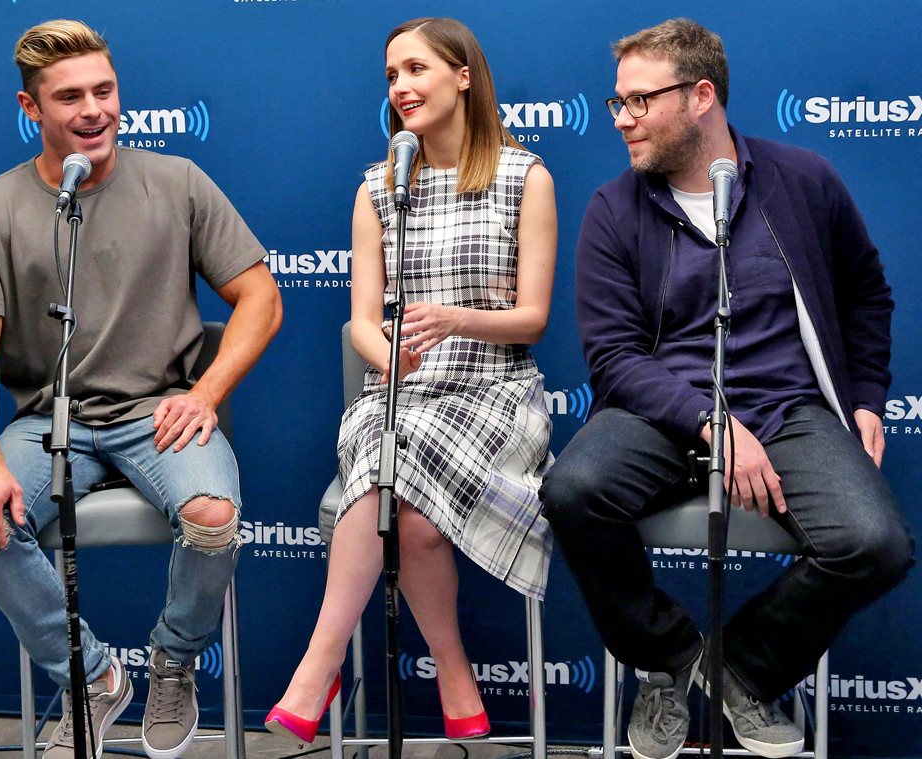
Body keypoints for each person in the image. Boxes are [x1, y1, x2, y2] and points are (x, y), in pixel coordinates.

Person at [539, 17, 914, 759]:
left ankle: (739, 666)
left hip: (786, 406)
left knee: (876, 545)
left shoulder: (803, 180)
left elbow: (867, 295)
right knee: (574, 490)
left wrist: (866, 396)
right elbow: (612, 356)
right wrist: (710, 423)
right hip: (661, 408)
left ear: (701, 96)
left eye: (639, 102)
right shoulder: (614, 208)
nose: (622, 119)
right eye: (617, 102)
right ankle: (668, 661)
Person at [0, 20, 282, 759]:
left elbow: (261, 296)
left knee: (213, 515)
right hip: (46, 417)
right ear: (31, 109)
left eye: (105, 89)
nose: (94, 109)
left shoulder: (178, 181)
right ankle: (91, 675)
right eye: (70, 97)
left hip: (158, 409)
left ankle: (172, 661)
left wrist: (206, 390)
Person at [264, 16, 557, 745]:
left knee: (401, 464)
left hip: (494, 395)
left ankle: (320, 663)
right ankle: (452, 675)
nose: (401, 87)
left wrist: (458, 321)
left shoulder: (526, 178)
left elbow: (532, 319)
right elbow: (363, 320)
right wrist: (385, 355)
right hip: (400, 391)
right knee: (401, 474)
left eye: (417, 69)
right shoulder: (377, 188)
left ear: (463, 76)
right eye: (392, 75)